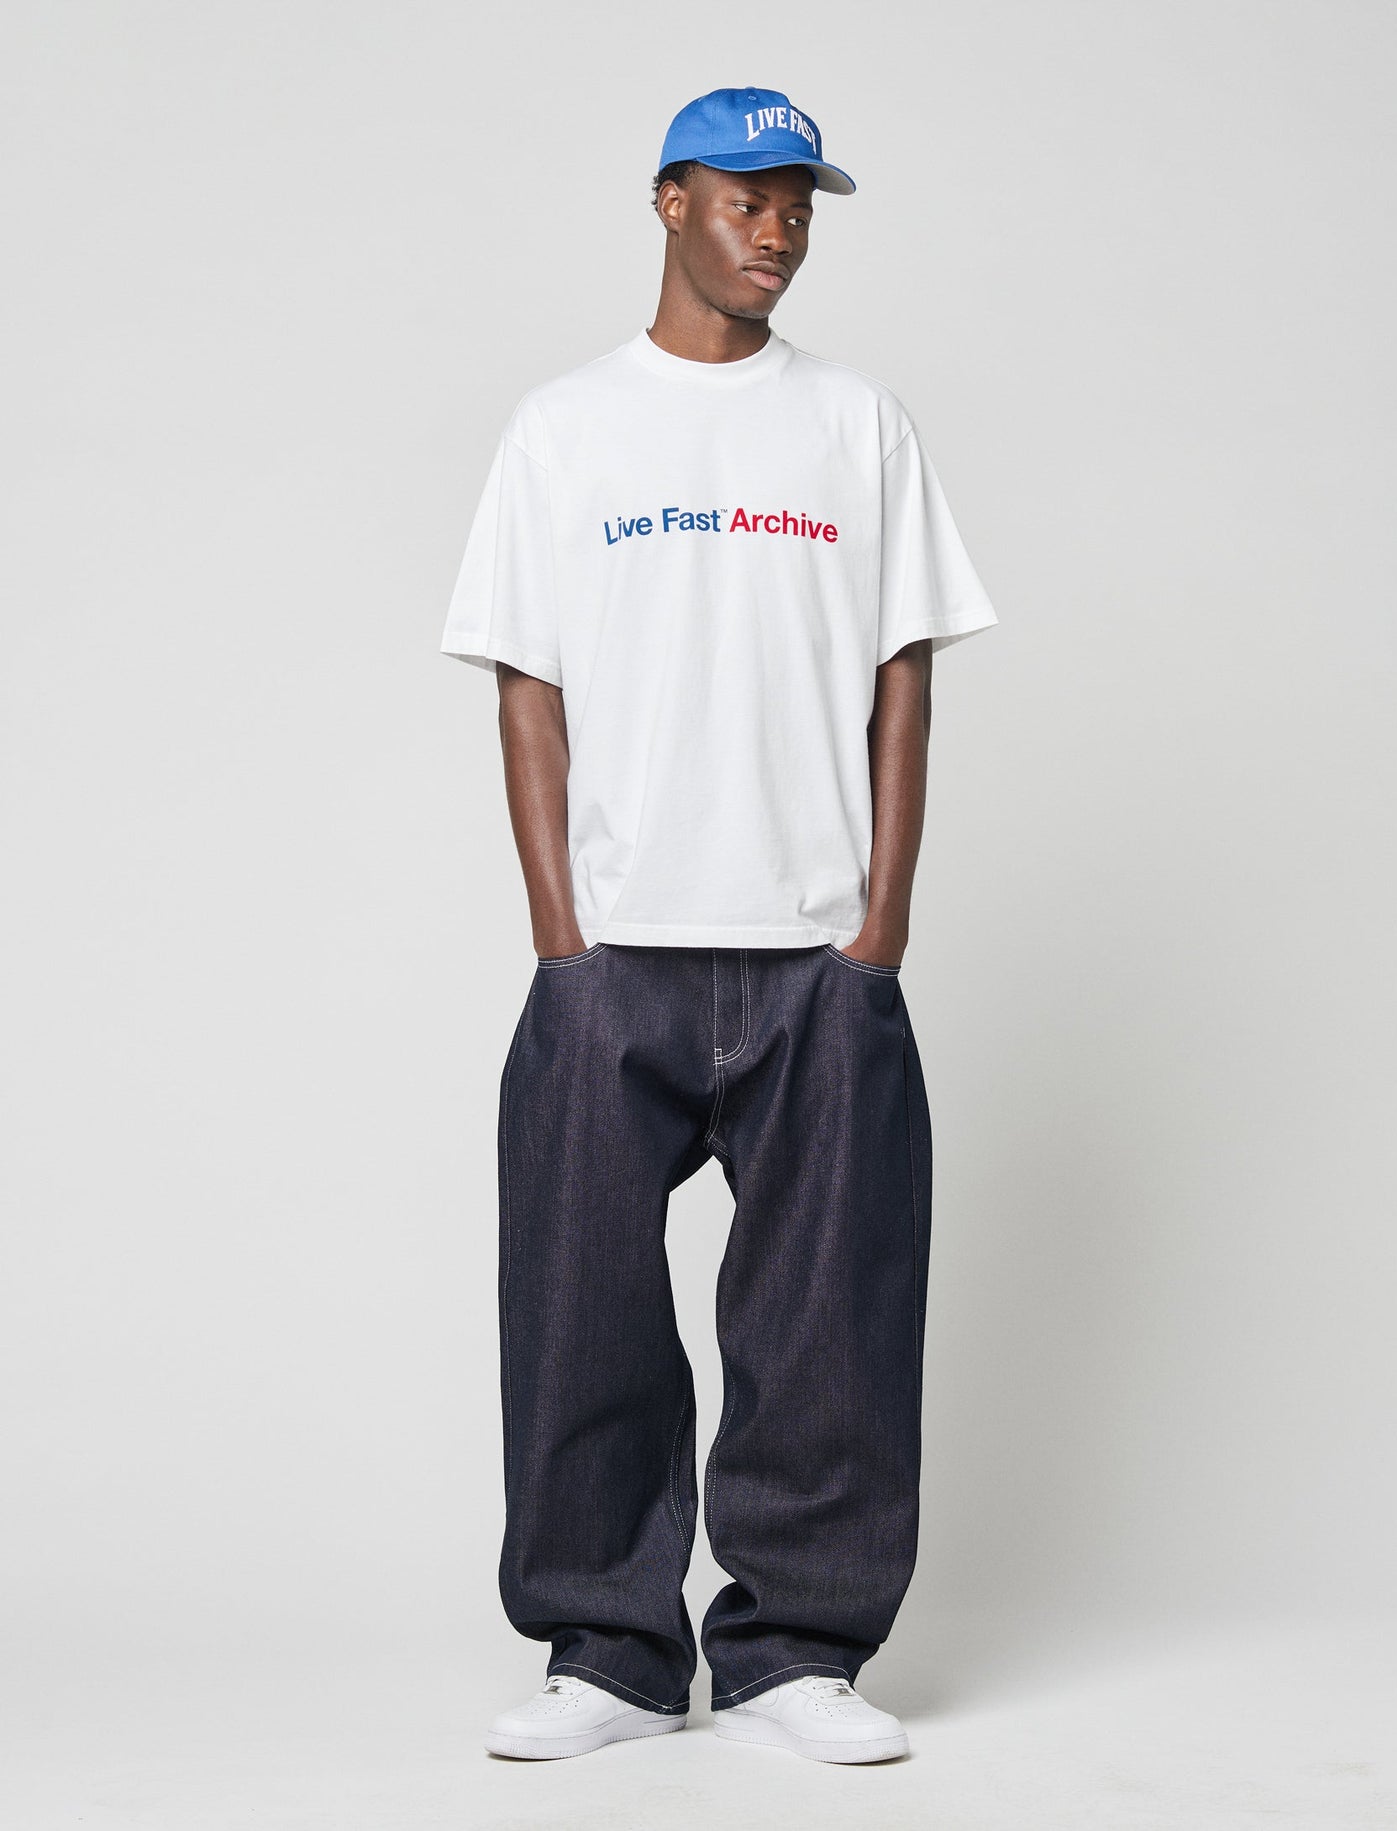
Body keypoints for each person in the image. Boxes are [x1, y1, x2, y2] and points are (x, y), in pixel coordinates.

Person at [439, 84, 998, 1766]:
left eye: (801, 202)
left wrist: (878, 925)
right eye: (749, 197)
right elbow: (523, 684)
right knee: (578, 1305)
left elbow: (904, 679)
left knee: (826, 1315)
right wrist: (561, 932)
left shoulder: (856, 426)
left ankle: (795, 1652)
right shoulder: (565, 428)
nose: (781, 227)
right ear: (670, 200)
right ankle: (606, 1654)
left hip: (817, 954)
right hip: (613, 956)